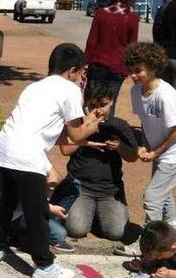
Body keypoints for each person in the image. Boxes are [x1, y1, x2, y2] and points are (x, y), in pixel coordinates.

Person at [0, 43, 105, 278]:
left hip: (4, 149)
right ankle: (44, 265)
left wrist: (83, 126)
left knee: (7, 203)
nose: (82, 78)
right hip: (27, 156)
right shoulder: (70, 90)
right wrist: (96, 122)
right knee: (35, 211)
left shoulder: (34, 87)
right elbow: (76, 136)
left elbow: (54, 131)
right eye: (82, 73)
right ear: (72, 70)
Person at [115, 42, 176, 256]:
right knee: (164, 195)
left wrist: (156, 152)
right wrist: (144, 145)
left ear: (152, 67)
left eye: (138, 70)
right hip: (159, 147)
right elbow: (145, 121)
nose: (134, 76)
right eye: (131, 71)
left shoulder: (165, 94)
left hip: (175, 151)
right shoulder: (135, 92)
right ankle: (175, 238)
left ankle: (149, 244)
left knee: (152, 197)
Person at [59, 80, 138, 242]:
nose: (98, 110)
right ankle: (84, 211)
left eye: (103, 105)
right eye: (93, 105)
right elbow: (65, 150)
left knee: (116, 232)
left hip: (109, 190)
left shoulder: (119, 126)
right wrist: (87, 128)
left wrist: (119, 146)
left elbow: (132, 156)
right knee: (76, 229)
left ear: (111, 102)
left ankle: (98, 214)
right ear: (86, 104)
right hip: (81, 187)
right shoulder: (78, 123)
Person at [84, 0, 139, 115]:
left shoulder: (100, 13)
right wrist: (129, 68)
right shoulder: (132, 17)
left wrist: (86, 63)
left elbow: (92, 40)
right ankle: (107, 128)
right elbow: (132, 46)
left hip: (98, 64)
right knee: (109, 103)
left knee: (93, 101)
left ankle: (90, 130)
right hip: (118, 67)